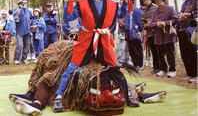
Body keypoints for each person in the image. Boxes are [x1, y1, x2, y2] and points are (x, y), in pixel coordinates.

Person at [9, 41, 166, 115]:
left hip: (95, 55)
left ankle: (138, 94)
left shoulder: (101, 53)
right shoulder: (68, 55)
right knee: (49, 79)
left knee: (111, 76)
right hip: (76, 59)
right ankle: (36, 102)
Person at [53, 0, 131, 112]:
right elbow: (69, 19)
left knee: (115, 68)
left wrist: (125, 2)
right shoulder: (81, 3)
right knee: (71, 68)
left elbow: (121, 16)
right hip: (86, 40)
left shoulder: (111, 4)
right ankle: (58, 96)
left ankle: (128, 93)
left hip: (104, 41)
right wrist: (70, 3)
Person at [150, 0, 178, 78]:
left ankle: (172, 70)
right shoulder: (154, 12)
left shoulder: (170, 9)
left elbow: (175, 19)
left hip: (167, 35)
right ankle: (163, 69)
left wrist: (164, 23)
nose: (158, 1)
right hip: (158, 36)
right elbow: (151, 23)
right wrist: (157, 24)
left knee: (170, 53)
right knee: (159, 54)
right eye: (156, 0)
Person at [177, 0, 197, 83]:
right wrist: (181, 15)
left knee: (192, 51)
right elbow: (181, 14)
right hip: (182, 29)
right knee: (185, 52)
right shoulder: (184, 3)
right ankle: (190, 74)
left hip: (192, 29)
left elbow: (196, 13)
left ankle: (196, 75)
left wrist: (188, 15)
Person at [140, 0, 159, 73]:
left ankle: (162, 67)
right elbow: (142, 23)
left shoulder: (156, 7)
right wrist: (146, 25)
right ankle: (156, 67)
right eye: (144, 1)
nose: (146, 1)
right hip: (150, 33)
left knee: (159, 50)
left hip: (158, 32)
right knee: (153, 50)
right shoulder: (144, 12)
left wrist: (154, 23)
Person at [13, 0, 34, 65]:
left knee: (27, 45)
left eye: (24, 1)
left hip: (28, 30)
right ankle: (16, 59)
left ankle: (24, 59)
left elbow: (32, 17)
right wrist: (19, 6)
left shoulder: (27, 10)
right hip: (20, 30)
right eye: (22, 0)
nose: (23, 2)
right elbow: (15, 16)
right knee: (19, 44)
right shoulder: (16, 9)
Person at [125, 0, 144, 71]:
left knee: (137, 49)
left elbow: (139, 21)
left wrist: (140, 29)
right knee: (131, 49)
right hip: (128, 33)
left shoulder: (137, 10)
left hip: (135, 32)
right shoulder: (127, 11)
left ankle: (140, 64)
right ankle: (135, 64)